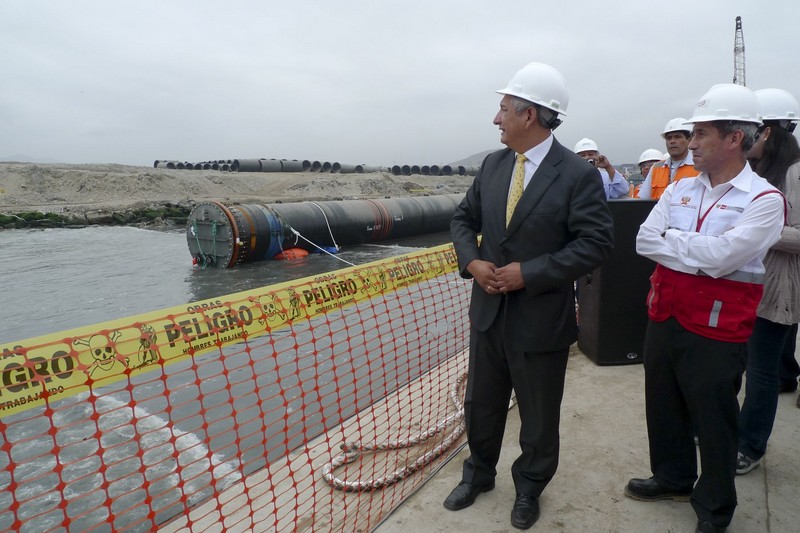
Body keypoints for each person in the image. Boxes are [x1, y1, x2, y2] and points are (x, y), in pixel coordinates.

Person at [447, 62, 613, 530]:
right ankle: (478, 475)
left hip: (540, 318)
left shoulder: (577, 176)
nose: (495, 120)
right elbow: (463, 220)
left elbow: (596, 244)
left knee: (538, 414)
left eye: (503, 110)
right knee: (480, 404)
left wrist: (531, 273)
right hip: (489, 314)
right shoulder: (494, 165)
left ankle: (530, 488)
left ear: (531, 115)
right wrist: (472, 262)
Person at [627, 83, 785, 533]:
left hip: (717, 328)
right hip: (665, 315)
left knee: (713, 418)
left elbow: (724, 260)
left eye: (700, 134)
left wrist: (676, 244)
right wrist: (700, 248)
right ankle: (673, 476)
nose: (690, 143)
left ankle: (715, 507)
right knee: (663, 403)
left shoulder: (763, 200)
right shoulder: (679, 190)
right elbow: (643, 240)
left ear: (734, 138)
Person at [737, 87, 800, 474]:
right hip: (745, 286)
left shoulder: (795, 174)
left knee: (762, 371)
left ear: (769, 133)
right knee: (741, 366)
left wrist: (757, 230)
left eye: (751, 130)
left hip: (775, 291)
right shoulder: (757, 173)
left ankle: (750, 446)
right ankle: (730, 430)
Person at [636, 118, 699, 199]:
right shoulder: (656, 168)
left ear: (689, 140)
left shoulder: (699, 167)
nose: (672, 141)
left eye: (677, 137)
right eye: (669, 138)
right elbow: (643, 199)